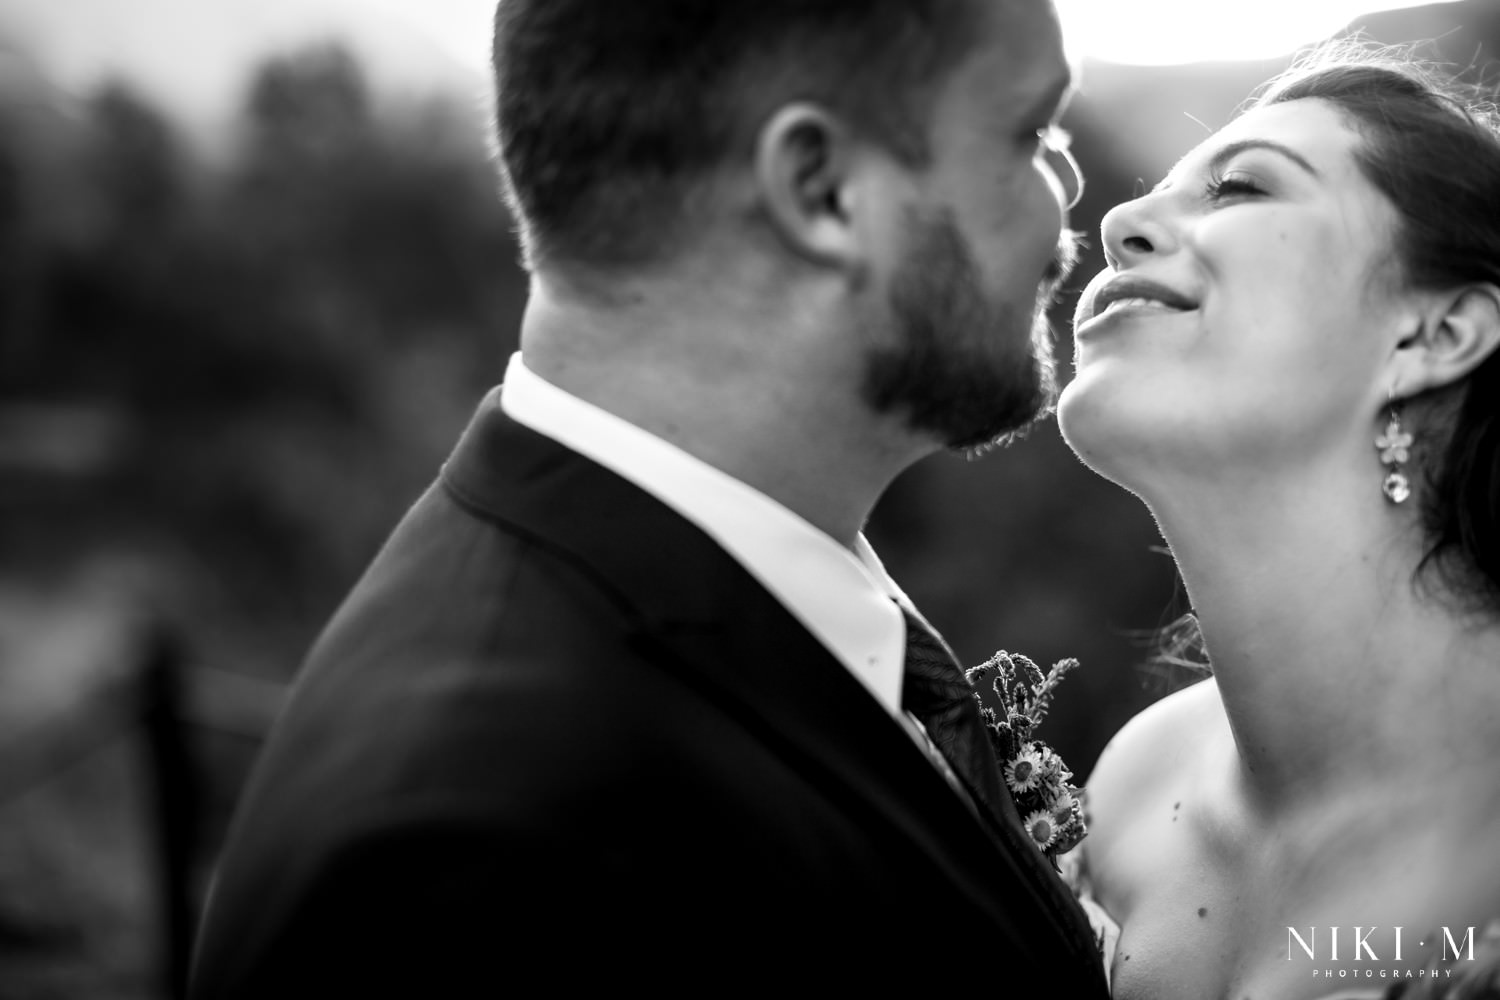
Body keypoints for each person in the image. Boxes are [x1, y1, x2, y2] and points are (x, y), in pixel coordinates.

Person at [188, 0, 1111, 993]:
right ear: (823, 188)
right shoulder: (501, 854)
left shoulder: (695, 593)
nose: (1069, 182)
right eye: (1029, 131)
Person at [1057, 41, 1500, 1000]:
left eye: (1241, 190)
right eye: (1150, 194)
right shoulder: (1135, 787)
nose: (1120, 223)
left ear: (1434, 335)